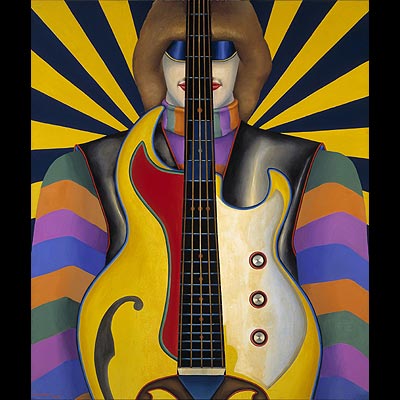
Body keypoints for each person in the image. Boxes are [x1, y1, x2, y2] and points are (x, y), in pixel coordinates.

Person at [31, 1, 369, 399]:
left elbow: (346, 334)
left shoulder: (317, 170)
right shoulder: (82, 171)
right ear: (156, 59)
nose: (199, 66)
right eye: (180, 49)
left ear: (245, 61)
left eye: (220, 49)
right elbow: (51, 333)